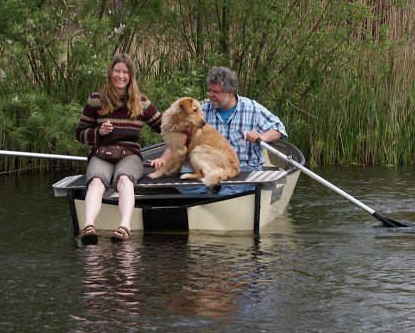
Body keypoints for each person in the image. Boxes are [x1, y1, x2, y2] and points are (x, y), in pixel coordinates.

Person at [75, 53, 171, 243]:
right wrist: (98, 132)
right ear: (111, 73)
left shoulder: (141, 102)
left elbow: (168, 129)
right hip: (101, 154)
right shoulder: (96, 100)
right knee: (96, 181)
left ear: (131, 76)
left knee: (124, 180)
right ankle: (88, 226)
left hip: (130, 154)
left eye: (125, 72)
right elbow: (79, 133)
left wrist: (167, 154)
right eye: (117, 71)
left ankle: (124, 227)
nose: (121, 76)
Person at [182, 66, 287, 195]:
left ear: (230, 92)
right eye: (209, 90)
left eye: (215, 91)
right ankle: (203, 200)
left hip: (244, 168)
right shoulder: (202, 110)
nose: (210, 95)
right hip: (210, 164)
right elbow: (181, 136)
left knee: (228, 192)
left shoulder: (253, 109)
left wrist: (262, 136)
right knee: (183, 180)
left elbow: (279, 128)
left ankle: (217, 200)